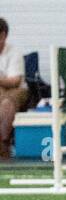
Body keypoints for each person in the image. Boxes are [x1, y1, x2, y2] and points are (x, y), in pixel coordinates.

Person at [0, 17, 30, 161]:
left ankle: (4, 143)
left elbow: (15, 82)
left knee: (6, 103)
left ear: (3, 36)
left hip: (16, 90)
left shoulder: (14, 52)